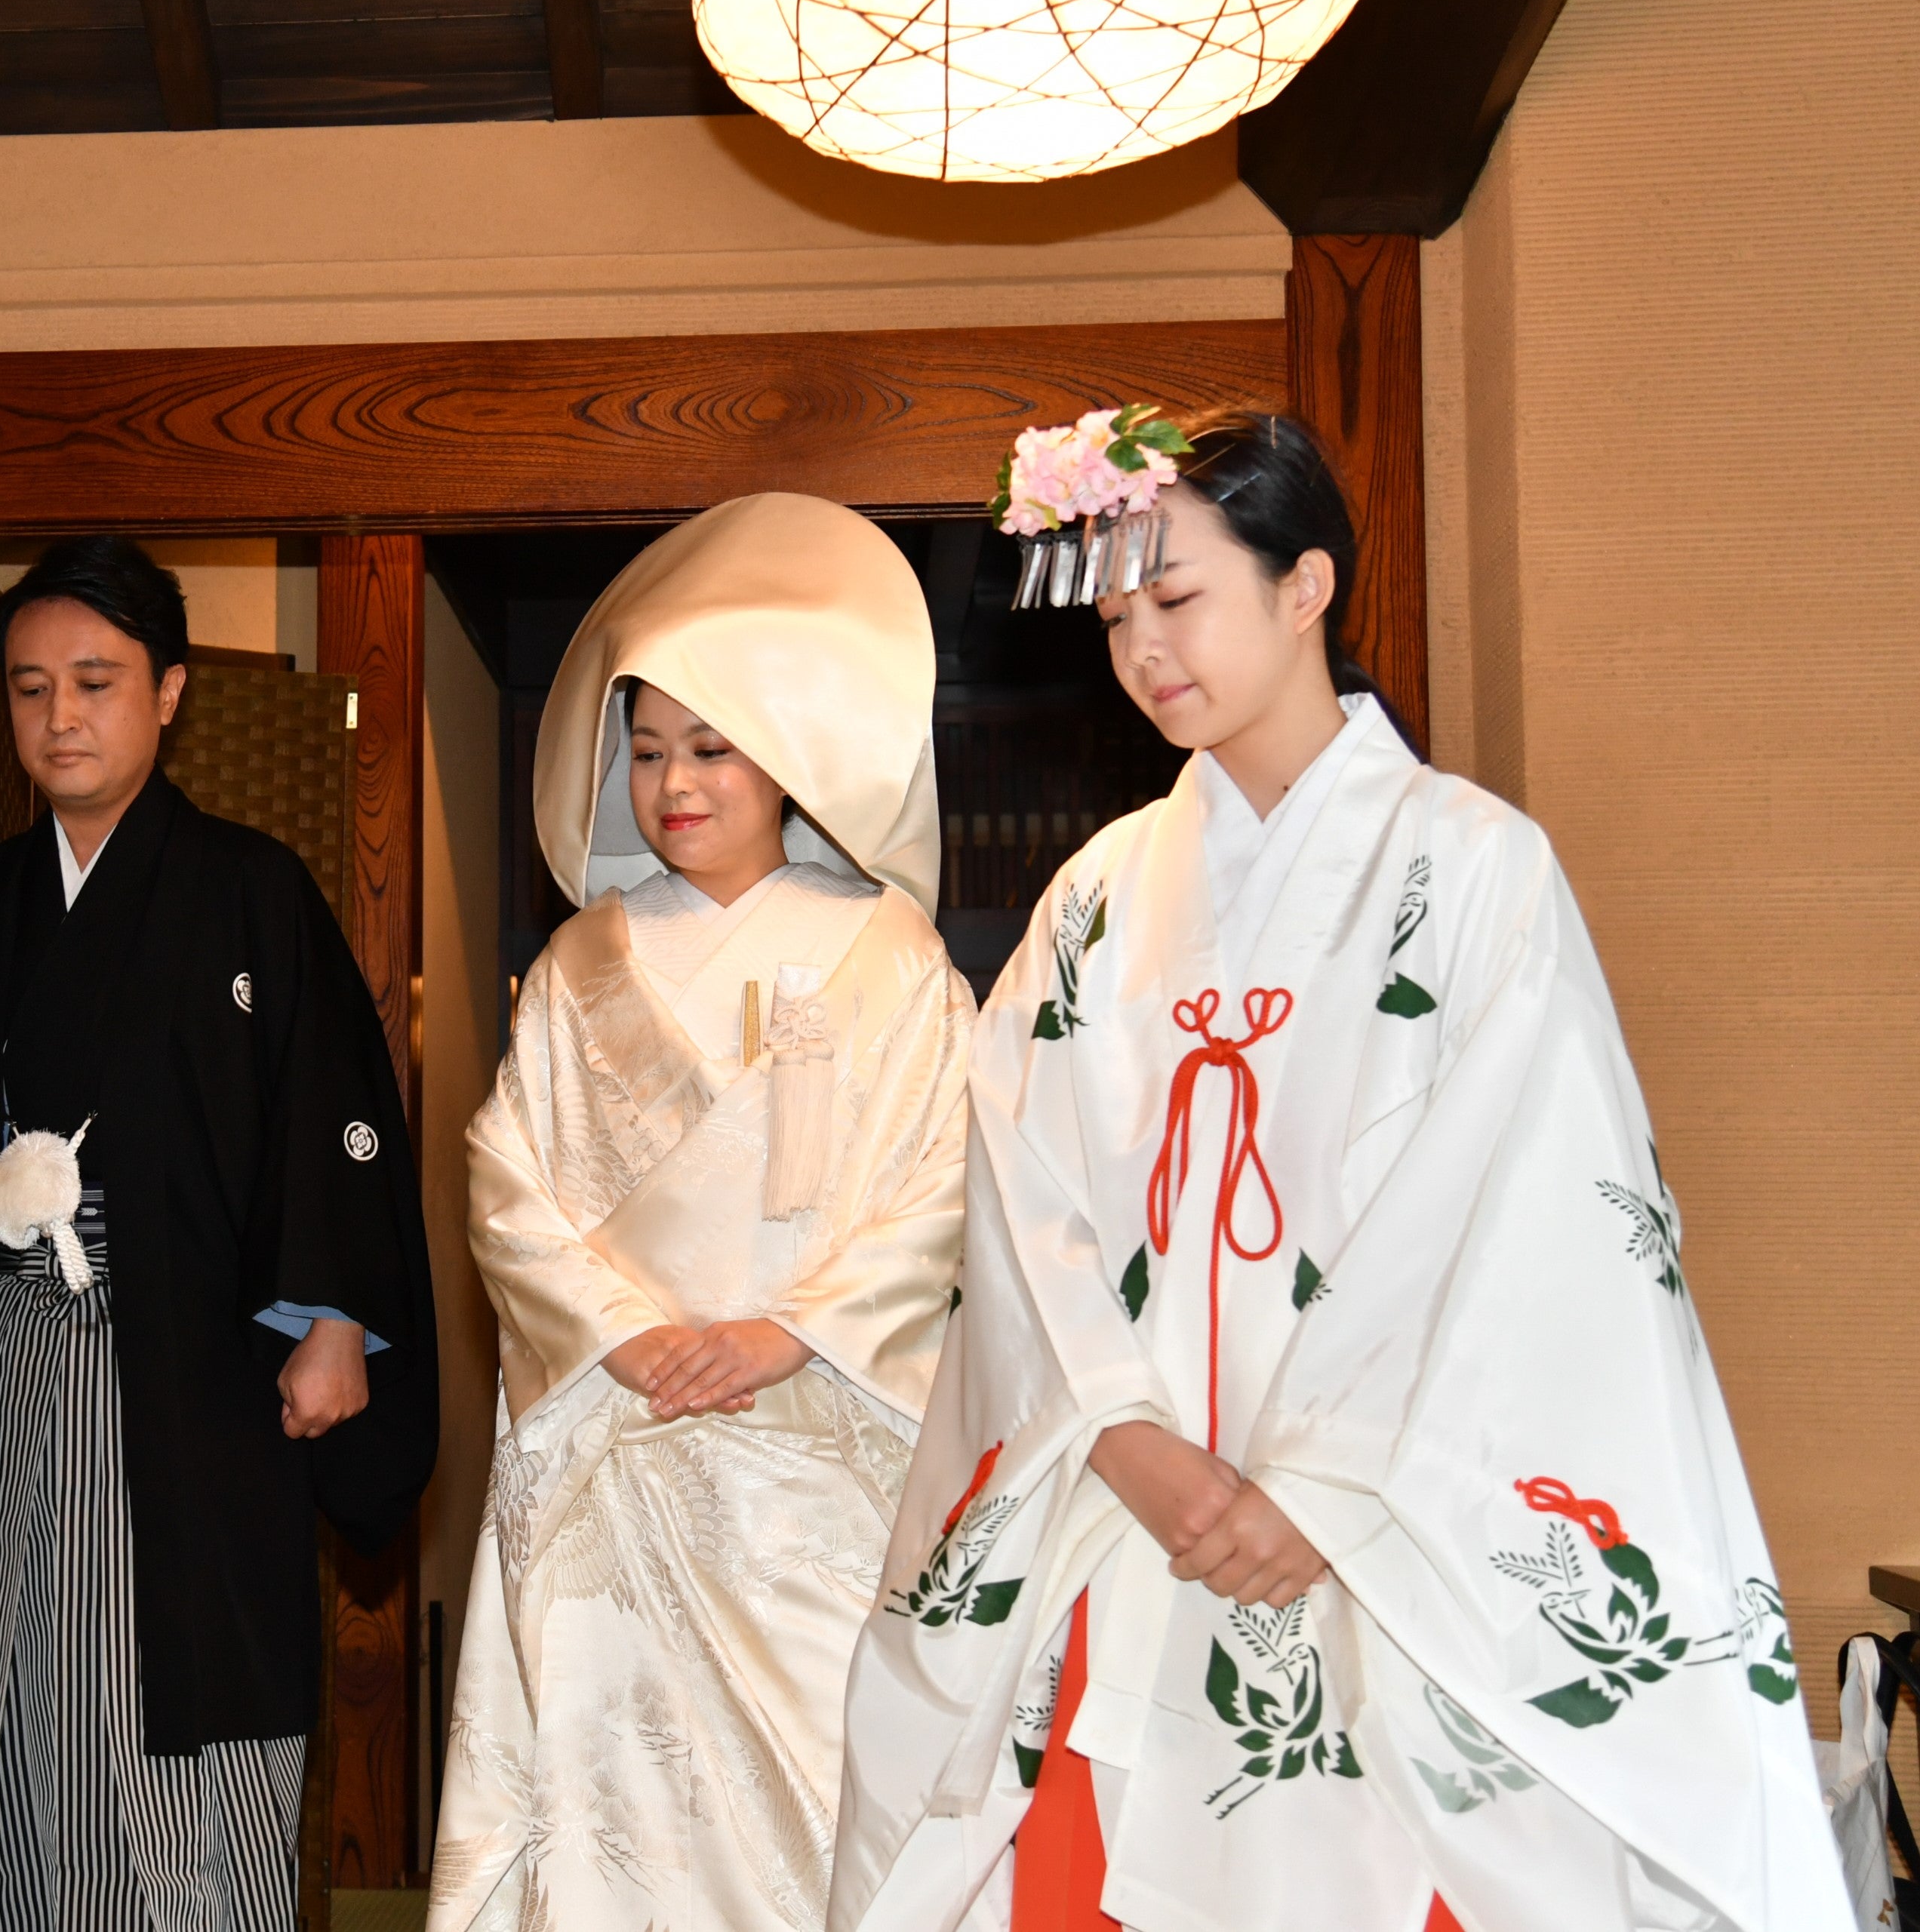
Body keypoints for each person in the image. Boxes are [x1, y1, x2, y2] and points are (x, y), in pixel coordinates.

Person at [833, 409, 1849, 1932]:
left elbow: (1516, 1207)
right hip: (1141, 1517)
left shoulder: (1474, 866)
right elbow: (1017, 1190)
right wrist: (1118, 1431)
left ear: (1306, 585)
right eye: (1116, 616)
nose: (1143, 648)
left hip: (1389, 1540)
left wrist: (1323, 1482)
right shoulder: (1098, 895)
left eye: (1175, 600)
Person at [429, 493, 973, 1932]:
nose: (675, 785)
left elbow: (946, 1181)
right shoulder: (579, 961)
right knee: (616, 1819)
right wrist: (621, 1334)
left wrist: (788, 1333)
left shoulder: (890, 954)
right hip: (625, 1449)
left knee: (828, 1809)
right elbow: (506, 1181)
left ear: (784, 760)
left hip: (814, 1460)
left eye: (713, 749)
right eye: (650, 750)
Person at [0, 537, 439, 1932]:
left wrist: (331, 1321)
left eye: (95, 682)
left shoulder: (252, 893)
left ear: (172, 692)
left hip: (199, 1382)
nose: (59, 718)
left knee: (184, 1713)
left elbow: (335, 1112)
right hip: (12, 1367)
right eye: (28, 689)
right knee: (20, 1694)